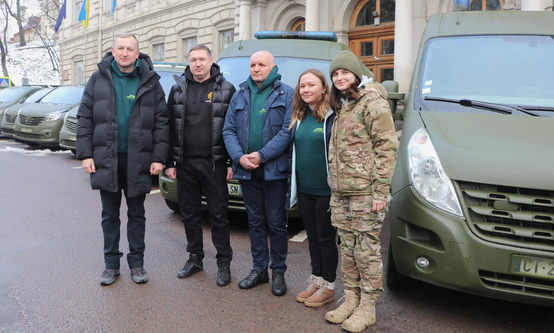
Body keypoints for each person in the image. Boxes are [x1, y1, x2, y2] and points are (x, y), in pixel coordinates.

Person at [77, 33, 169, 286]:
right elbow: (84, 118)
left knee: (137, 213)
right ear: (113, 51)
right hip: (106, 158)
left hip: (139, 159)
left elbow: (162, 122)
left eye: (130, 49)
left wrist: (159, 157)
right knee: (109, 214)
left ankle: (137, 263)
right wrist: (85, 153)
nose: (125, 53)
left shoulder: (150, 81)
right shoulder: (98, 78)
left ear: (137, 53)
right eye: (121, 48)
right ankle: (111, 265)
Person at [324, 50, 398, 332]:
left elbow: (386, 146)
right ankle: (352, 298)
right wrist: (335, 188)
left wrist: (380, 191)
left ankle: (368, 307)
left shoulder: (372, 101)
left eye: (344, 72)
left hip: (367, 192)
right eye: (335, 74)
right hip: (342, 193)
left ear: (356, 74)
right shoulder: (343, 104)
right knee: (348, 247)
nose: (340, 77)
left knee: (366, 250)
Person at [222, 50, 294, 296]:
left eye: (261, 64)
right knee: (255, 222)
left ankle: (279, 272)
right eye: (253, 64)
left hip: (274, 170)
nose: (256, 69)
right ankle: (259, 269)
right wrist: (239, 157)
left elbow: (287, 132)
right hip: (247, 170)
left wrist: (261, 155)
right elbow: (228, 130)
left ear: (272, 66)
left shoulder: (287, 93)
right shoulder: (240, 93)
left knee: (276, 223)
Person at [165, 44, 236, 287]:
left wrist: (230, 162)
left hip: (214, 164)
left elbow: (234, 129)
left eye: (202, 59)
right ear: (189, 61)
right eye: (193, 59)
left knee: (218, 215)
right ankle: (195, 259)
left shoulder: (227, 90)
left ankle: (224, 264)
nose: (198, 64)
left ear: (211, 60)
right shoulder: (177, 90)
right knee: (190, 215)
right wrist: (169, 162)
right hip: (185, 164)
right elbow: (168, 128)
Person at [286, 69, 338, 307]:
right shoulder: (298, 115)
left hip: (327, 191)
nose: (305, 90)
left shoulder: (334, 116)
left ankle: (329, 285)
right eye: (302, 86)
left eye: (311, 85)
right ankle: (317, 279)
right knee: (313, 238)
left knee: (326, 239)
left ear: (324, 88)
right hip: (305, 190)